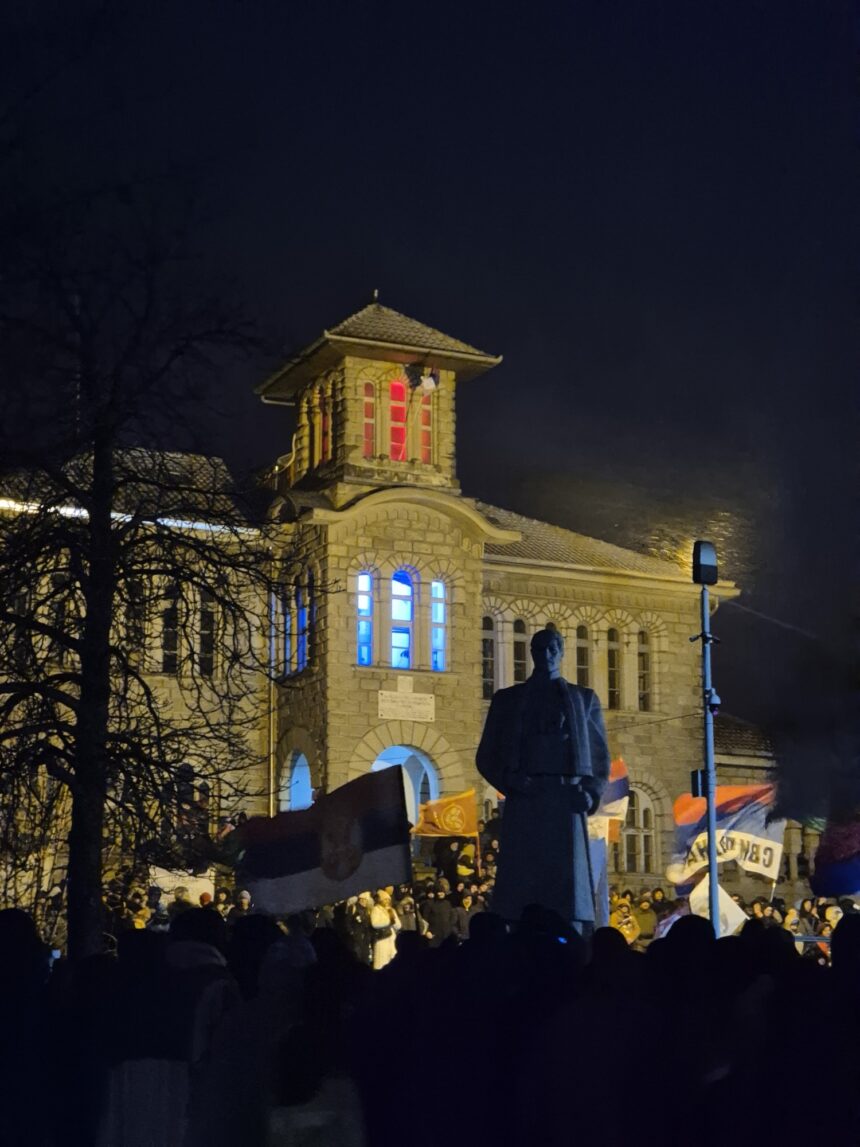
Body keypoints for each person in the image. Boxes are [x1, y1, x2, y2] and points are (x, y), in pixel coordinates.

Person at [476, 623, 610, 936]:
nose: (546, 655)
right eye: (540, 649)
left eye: (553, 649)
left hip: (566, 799)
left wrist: (590, 793)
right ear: (532, 653)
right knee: (523, 885)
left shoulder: (583, 699)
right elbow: (487, 756)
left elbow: (600, 757)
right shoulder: (508, 700)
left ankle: (572, 936)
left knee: (568, 889)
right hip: (527, 798)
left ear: (561, 653)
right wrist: (511, 779)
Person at [370, 891, 400, 970]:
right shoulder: (376, 909)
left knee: (393, 961)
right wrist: (388, 921)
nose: (387, 901)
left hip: (392, 938)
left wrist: (394, 919)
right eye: (385, 899)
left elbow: (398, 926)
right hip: (382, 938)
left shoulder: (391, 910)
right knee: (382, 962)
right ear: (380, 900)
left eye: (388, 900)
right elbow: (375, 923)